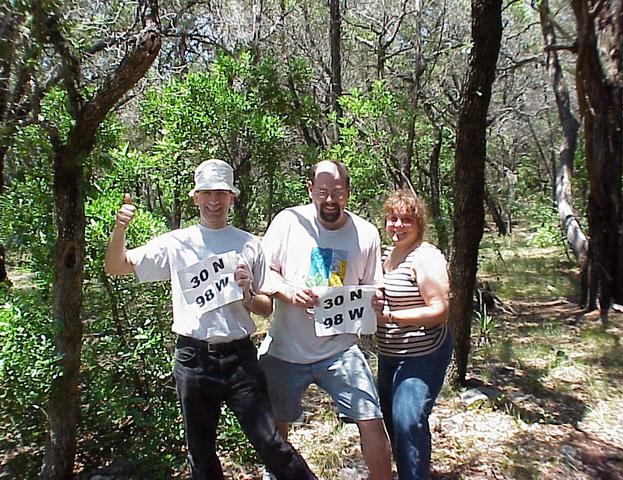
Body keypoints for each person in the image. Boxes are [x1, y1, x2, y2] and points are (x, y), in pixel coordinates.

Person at [104, 159, 316, 480]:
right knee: (201, 452)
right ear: (195, 197)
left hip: (240, 359)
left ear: (232, 197)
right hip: (193, 360)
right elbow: (116, 266)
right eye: (207, 193)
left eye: (221, 193)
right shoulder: (177, 243)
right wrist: (120, 228)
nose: (214, 201)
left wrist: (246, 292)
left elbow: (264, 308)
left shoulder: (248, 243)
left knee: (271, 443)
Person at [258, 160, 393, 480]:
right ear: (310, 190)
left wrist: (376, 301)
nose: (330, 199)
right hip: (285, 348)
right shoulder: (288, 222)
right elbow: (263, 273)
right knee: (276, 424)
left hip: (340, 349)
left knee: (371, 418)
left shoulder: (365, 233)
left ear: (347, 192)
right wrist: (290, 293)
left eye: (337, 192)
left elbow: (374, 288)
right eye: (322, 192)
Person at [376, 189, 453, 480]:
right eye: (392, 219)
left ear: (418, 223)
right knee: (393, 423)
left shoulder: (426, 257)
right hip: (389, 354)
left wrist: (393, 317)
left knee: (408, 421)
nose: (397, 225)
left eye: (406, 219)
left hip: (423, 355)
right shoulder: (387, 256)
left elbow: (440, 310)